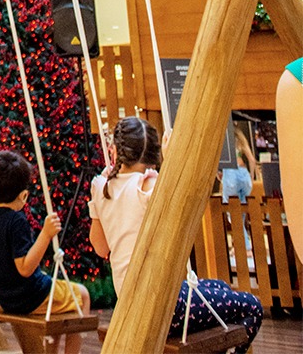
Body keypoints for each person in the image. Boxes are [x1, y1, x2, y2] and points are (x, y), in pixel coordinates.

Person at [89, 117, 263, 352]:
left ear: (115, 150)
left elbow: (100, 247)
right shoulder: (151, 187)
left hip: (130, 302)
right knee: (253, 307)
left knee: (221, 287)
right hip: (165, 309)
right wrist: (171, 164)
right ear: (153, 152)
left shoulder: (101, 187)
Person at [0, 150, 90, 354]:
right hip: (32, 298)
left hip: (6, 299)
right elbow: (25, 268)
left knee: (56, 313)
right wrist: (45, 234)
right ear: (24, 195)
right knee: (82, 295)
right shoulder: (17, 221)